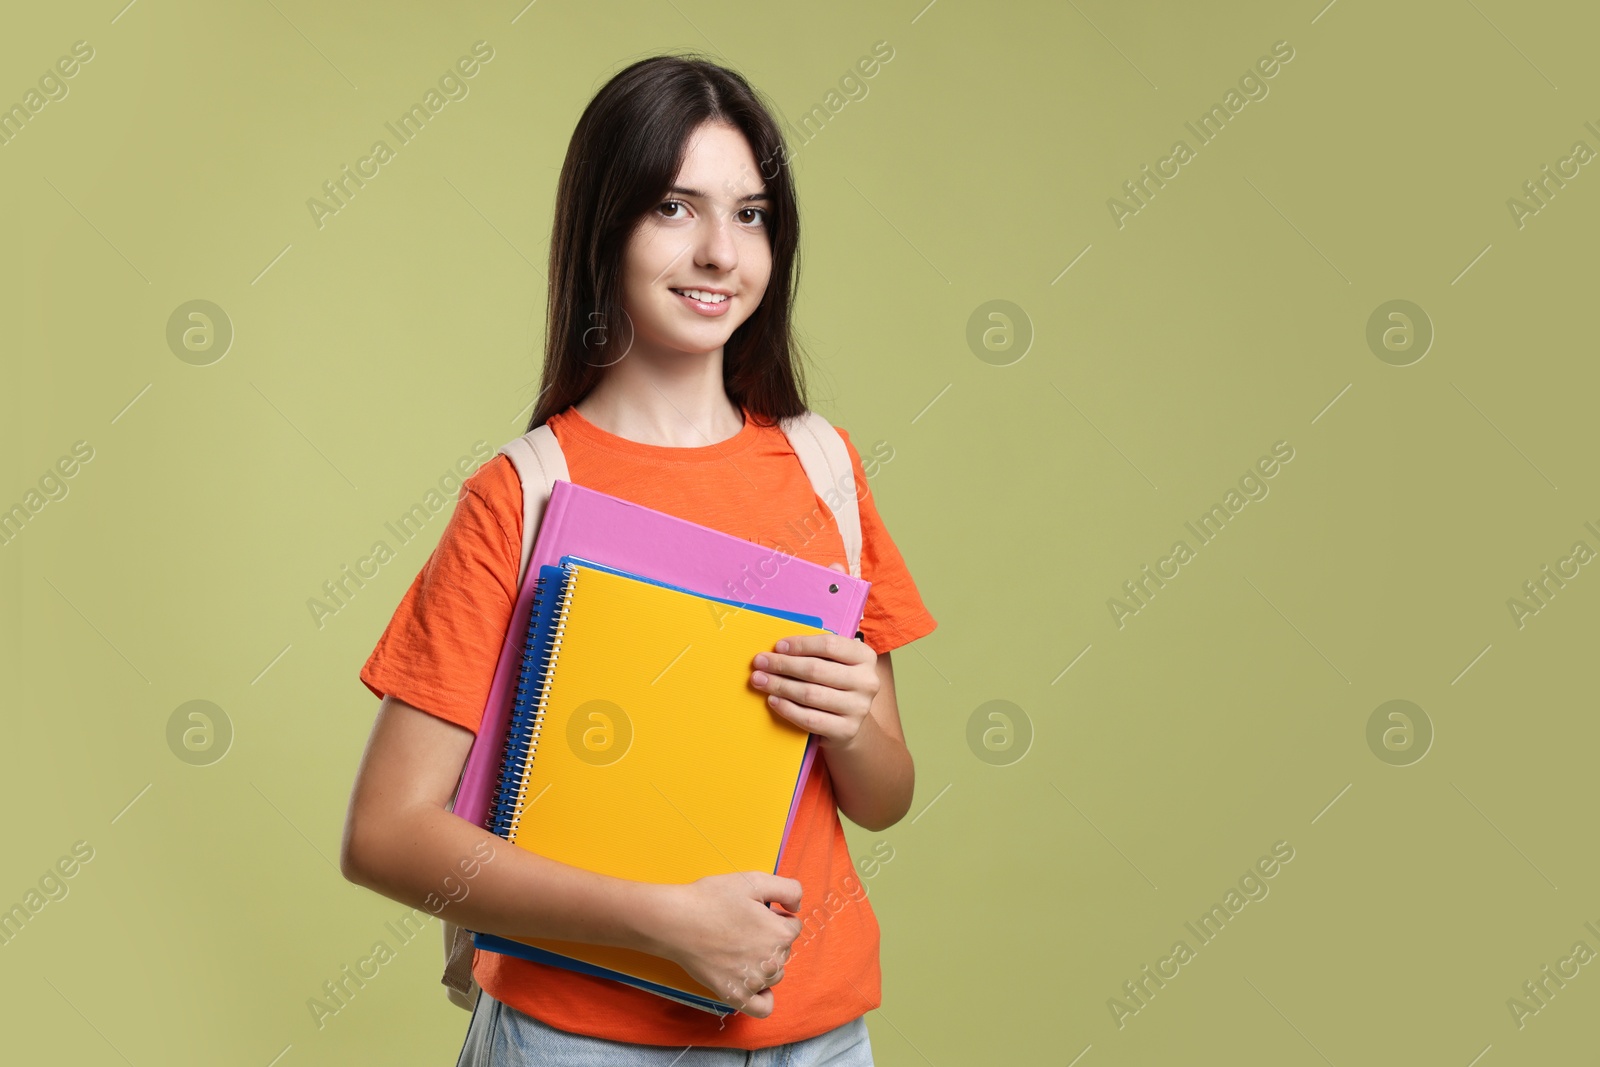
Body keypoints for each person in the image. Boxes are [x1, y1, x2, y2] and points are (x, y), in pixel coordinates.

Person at [340, 52, 937, 1065]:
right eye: (674, 206)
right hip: (579, 1038)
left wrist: (855, 726)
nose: (719, 251)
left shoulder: (824, 467)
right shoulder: (520, 496)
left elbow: (883, 796)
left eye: (750, 214)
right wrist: (663, 922)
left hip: (818, 1032)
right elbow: (387, 834)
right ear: (603, 227)